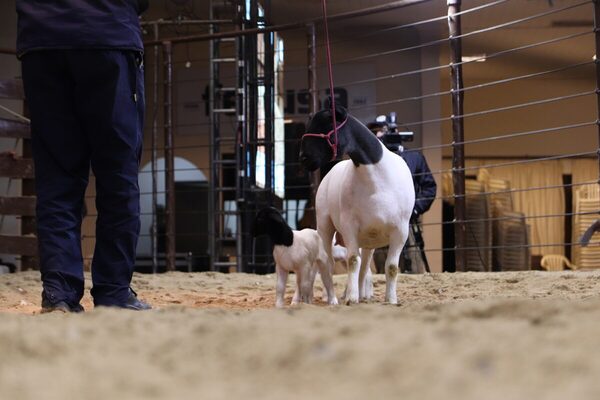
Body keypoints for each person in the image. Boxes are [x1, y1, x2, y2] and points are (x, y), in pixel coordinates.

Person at [16, 0, 151, 312]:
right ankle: (114, 291)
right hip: (107, 30)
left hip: (41, 36)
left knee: (57, 173)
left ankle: (59, 292)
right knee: (118, 171)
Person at [367, 116, 437, 273]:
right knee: (383, 270)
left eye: (384, 131)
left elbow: (429, 187)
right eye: (377, 132)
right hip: (380, 224)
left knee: (414, 268)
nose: (381, 135)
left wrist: (414, 209)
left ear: (397, 132)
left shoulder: (415, 158)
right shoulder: (371, 164)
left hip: (409, 223)